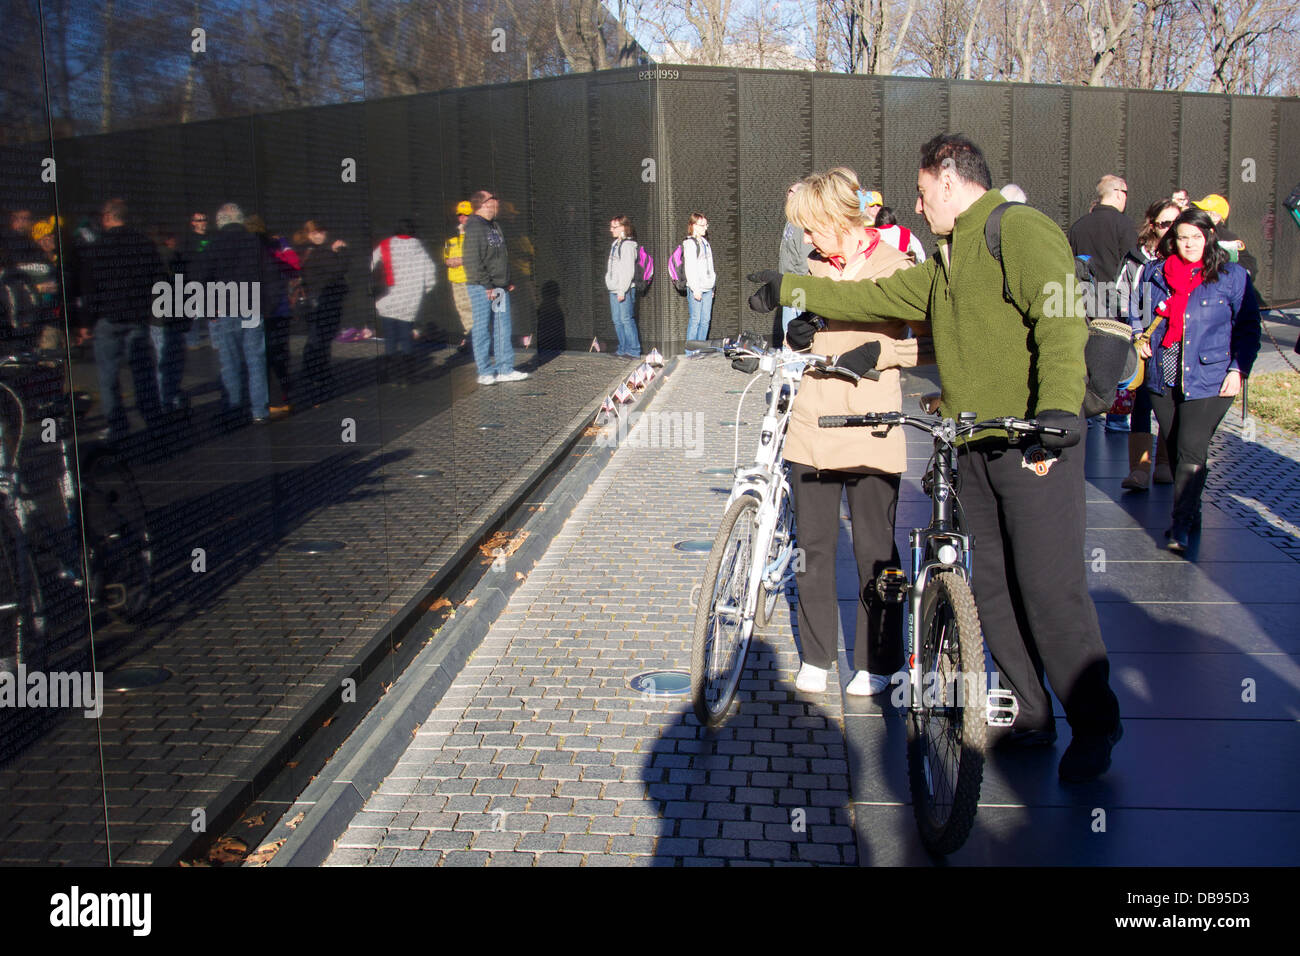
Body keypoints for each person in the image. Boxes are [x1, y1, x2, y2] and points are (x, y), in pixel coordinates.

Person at [748, 134, 1124, 782]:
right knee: (992, 589)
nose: (917, 208)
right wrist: (793, 288)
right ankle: (1029, 712)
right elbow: (870, 299)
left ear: (948, 180)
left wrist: (1060, 410)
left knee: (1048, 587)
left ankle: (1095, 722)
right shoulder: (945, 261)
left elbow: (1060, 320)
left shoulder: (1020, 229)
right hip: (972, 445)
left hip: (1034, 441)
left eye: (922, 194)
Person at [781, 168, 926, 697]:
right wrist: (798, 337)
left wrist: (879, 352)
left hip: (871, 425)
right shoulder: (815, 266)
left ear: (838, 218)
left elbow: (926, 347)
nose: (807, 241)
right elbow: (807, 339)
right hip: (812, 424)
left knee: (875, 550)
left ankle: (878, 659)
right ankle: (817, 655)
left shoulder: (897, 265)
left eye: (812, 229)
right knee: (813, 548)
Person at [1130, 207, 1260, 551]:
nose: (1189, 244)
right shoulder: (1155, 273)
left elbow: (1248, 328)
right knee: (1173, 447)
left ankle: (1180, 526)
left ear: (1209, 237)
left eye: (1196, 237)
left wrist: (1238, 369)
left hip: (1211, 376)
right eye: (1182, 237)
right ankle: (1192, 509)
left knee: (1191, 447)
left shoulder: (1232, 276)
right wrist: (1137, 335)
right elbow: (1136, 308)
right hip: (1163, 373)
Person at [81, 198, 166, 443]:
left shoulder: (98, 247)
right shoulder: (143, 244)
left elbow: (90, 288)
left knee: (108, 376)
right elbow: (158, 279)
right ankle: (153, 419)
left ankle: (117, 426)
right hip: (137, 316)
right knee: (143, 374)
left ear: (108, 217)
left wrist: (86, 322)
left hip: (108, 318)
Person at [1116, 199, 1180, 490]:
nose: (1170, 230)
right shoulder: (1137, 259)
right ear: (1152, 224)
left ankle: (1165, 462)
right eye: (1164, 223)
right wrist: (1136, 335)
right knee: (1142, 402)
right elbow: (1127, 300)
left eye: (1175, 224)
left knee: (1170, 400)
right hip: (1146, 339)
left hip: (1175, 342)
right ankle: (1139, 468)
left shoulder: (1189, 257)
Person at [200, 203, 271, 423]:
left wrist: (208, 308)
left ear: (220, 221)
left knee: (229, 362)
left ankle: (234, 408)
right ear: (240, 220)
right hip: (251, 307)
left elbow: (202, 278)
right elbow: (269, 275)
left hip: (225, 308)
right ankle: (259, 411)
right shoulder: (254, 243)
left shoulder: (213, 244)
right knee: (255, 361)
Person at [463, 190, 528, 384]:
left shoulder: (494, 226)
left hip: (499, 287)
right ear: (483, 204)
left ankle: (505, 368)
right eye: (493, 199)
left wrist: (507, 280)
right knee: (482, 328)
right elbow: (472, 260)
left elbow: (500, 257)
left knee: (502, 327)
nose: (497, 202)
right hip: (482, 288)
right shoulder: (474, 227)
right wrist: (486, 285)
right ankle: (484, 371)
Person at [372, 219, 436, 383]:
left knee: (390, 336)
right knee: (406, 335)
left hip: (388, 297)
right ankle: (407, 374)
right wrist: (422, 291)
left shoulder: (386, 244)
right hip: (410, 299)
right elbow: (430, 274)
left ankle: (387, 372)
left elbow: (372, 265)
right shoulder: (419, 247)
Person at [298, 219, 350, 406]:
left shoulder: (308, 251)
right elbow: (339, 269)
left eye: (321, 231)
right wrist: (342, 251)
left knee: (315, 339)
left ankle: (313, 373)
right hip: (322, 302)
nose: (319, 235)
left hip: (314, 302)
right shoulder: (320, 253)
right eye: (315, 232)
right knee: (320, 340)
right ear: (309, 234)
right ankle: (320, 375)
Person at [1069, 174, 1137, 285]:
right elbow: (1132, 265)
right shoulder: (1125, 225)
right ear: (1119, 193)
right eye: (1126, 193)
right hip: (1114, 295)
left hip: (1084, 295)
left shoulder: (1077, 226)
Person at [1192, 194, 1258, 279]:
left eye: (1205, 212)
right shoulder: (1193, 231)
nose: (1199, 215)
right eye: (1200, 211)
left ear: (1217, 217)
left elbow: (1249, 264)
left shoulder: (1228, 238)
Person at [604, 215, 641, 357]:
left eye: (614, 227)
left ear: (623, 228)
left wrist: (622, 290)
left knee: (626, 319)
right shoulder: (615, 244)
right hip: (614, 288)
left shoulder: (628, 246)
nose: (611, 230)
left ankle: (633, 350)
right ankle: (623, 348)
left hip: (624, 289)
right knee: (617, 320)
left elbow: (628, 271)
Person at [778, 182, 812, 336]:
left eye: (793, 192)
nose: (789, 195)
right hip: (789, 282)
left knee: (794, 329)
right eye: (788, 191)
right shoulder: (791, 220)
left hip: (797, 285)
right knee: (789, 327)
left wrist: (797, 283)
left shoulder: (802, 221)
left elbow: (805, 257)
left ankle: (795, 360)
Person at [443, 201, 474, 351]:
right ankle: (470, 339)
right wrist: (449, 261)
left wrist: (461, 260)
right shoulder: (451, 237)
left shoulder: (476, 234)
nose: (463, 218)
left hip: (471, 280)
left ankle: (476, 341)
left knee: (474, 310)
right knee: (463, 310)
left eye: (466, 215)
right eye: (460, 215)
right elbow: (446, 257)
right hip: (456, 280)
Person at [683, 212, 716, 344]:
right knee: (695, 320)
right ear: (694, 226)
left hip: (708, 287)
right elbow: (690, 269)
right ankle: (690, 350)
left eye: (706, 225)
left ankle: (701, 348)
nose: (705, 227)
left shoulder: (705, 243)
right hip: (697, 288)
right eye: (702, 225)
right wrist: (695, 289)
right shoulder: (690, 244)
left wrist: (712, 286)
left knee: (705, 320)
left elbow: (710, 266)